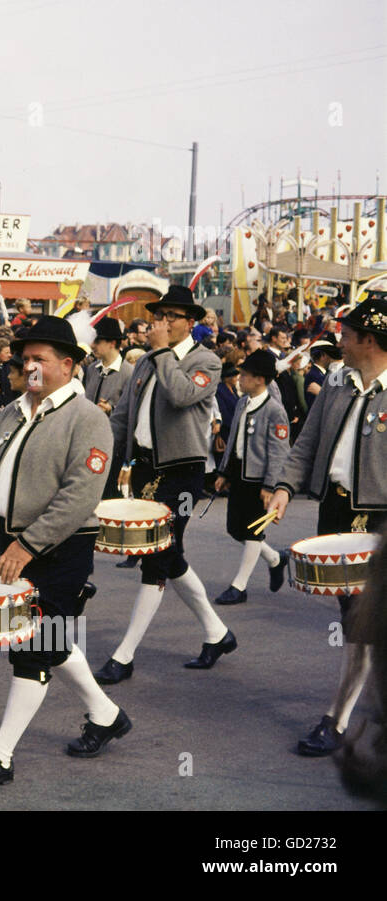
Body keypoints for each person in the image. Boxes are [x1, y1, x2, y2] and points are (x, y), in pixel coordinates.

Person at [0, 316, 128, 792]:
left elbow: (80, 494)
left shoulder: (88, 419)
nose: (30, 366)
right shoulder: (18, 410)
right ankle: (106, 715)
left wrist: (29, 544)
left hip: (60, 549)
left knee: (31, 648)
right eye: (27, 358)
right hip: (14, 543)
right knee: (50, 638)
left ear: (68, 365)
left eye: (40, 359)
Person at [95, 285, 236, 685]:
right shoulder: (144, 363)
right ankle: (217, 633)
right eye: (160, 316)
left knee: (157, 556)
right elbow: (123, 417)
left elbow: (181, 395)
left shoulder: (205, 359)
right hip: (144, 467)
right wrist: (102, 458)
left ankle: (124, 655)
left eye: (172, 316)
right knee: (170, 554)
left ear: (190, 322)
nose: (164, 323)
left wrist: (160, 353)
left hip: (183, 471)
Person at [265, 297, 387, 756]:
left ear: (369, 340)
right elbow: (307, 442)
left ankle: (336, 720)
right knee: (355, 620)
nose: (340, 339)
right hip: (335, 514)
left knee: (362, 624)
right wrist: (283, 487)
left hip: (380, 518)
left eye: (348, 333)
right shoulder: (336, 382)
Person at [211, 349, 290, 605]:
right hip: (239, 476)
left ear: (260, 379)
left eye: (244, 375)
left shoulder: (275, 411)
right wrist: (223, 471)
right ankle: (276, 559)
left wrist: (270, 485)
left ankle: (239, 586)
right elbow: (233, 440)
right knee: (236, 528)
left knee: (254, 531)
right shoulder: (243, 403)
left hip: (259, 481)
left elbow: (278, 452)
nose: (239, 379)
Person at [83, 317, 131, 415]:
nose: (92, 345)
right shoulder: (92, 369)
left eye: (97, 341)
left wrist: (111, 409)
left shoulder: (129, 373)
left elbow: (130, 410)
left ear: (112, 343)